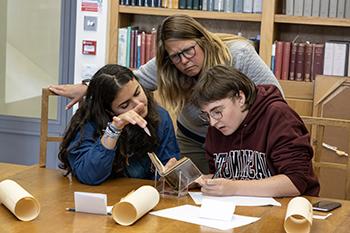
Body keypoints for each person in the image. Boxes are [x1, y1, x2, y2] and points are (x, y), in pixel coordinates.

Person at [49, 14, 282, 173]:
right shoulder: (168, 64)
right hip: (193, 140)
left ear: (203, 39)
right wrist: (90, 88)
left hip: (240, 139)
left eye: (188, 51)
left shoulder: (238, 54)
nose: (184, 61)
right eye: (175, 56)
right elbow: (130, 84)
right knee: (196, 194)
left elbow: (274, 98)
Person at [191, 65, 319, 197]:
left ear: (240, 98)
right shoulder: (218, 126)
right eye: (207, 115)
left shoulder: (277, 115)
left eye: (217, 111)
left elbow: (296, 181)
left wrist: (234, 188)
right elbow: (223, 176)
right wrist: (199, 180)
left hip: (288, 210)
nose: (212, 122)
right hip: (238, 209)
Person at [58, 64, 180, 185]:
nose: (139, 105)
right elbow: (89, 175)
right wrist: (114, 130)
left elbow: (168, 163)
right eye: (125, 105)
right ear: (109, 111)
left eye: (137, 92)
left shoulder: (160, 117)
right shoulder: (90, 121)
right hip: (100, 195)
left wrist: (170, 175)